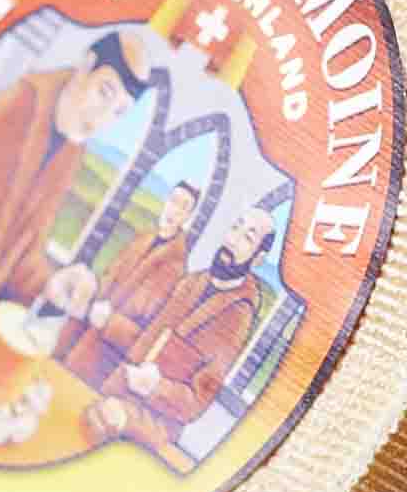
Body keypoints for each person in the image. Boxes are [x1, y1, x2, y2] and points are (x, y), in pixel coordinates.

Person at [0, 35, 141, 320]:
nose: (101, 118)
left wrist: (51, 286)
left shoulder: (72, 149)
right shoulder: (22, 100)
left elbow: (23, 252)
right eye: (104, 93)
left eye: (119, 112)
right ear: (85, 67)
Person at [87, 192, 286, 460]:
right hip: (112, 392)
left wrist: (155, 387)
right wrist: (104, 318)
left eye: (247, 238)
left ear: (258, 259)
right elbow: (144, 337)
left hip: (148, 427)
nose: (232, 241)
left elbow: (196, 402)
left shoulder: (238, 315)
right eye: (235, 228)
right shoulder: (191, 282)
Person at [61, 176, 203, 403]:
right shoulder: (143, 238)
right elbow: (110, 274)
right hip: (86, 325)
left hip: (106, 351)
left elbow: (144, 321)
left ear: (188, 217)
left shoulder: (175, 265)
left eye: (183, 207)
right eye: (173, 201)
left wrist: (108, 320)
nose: (174, 210)